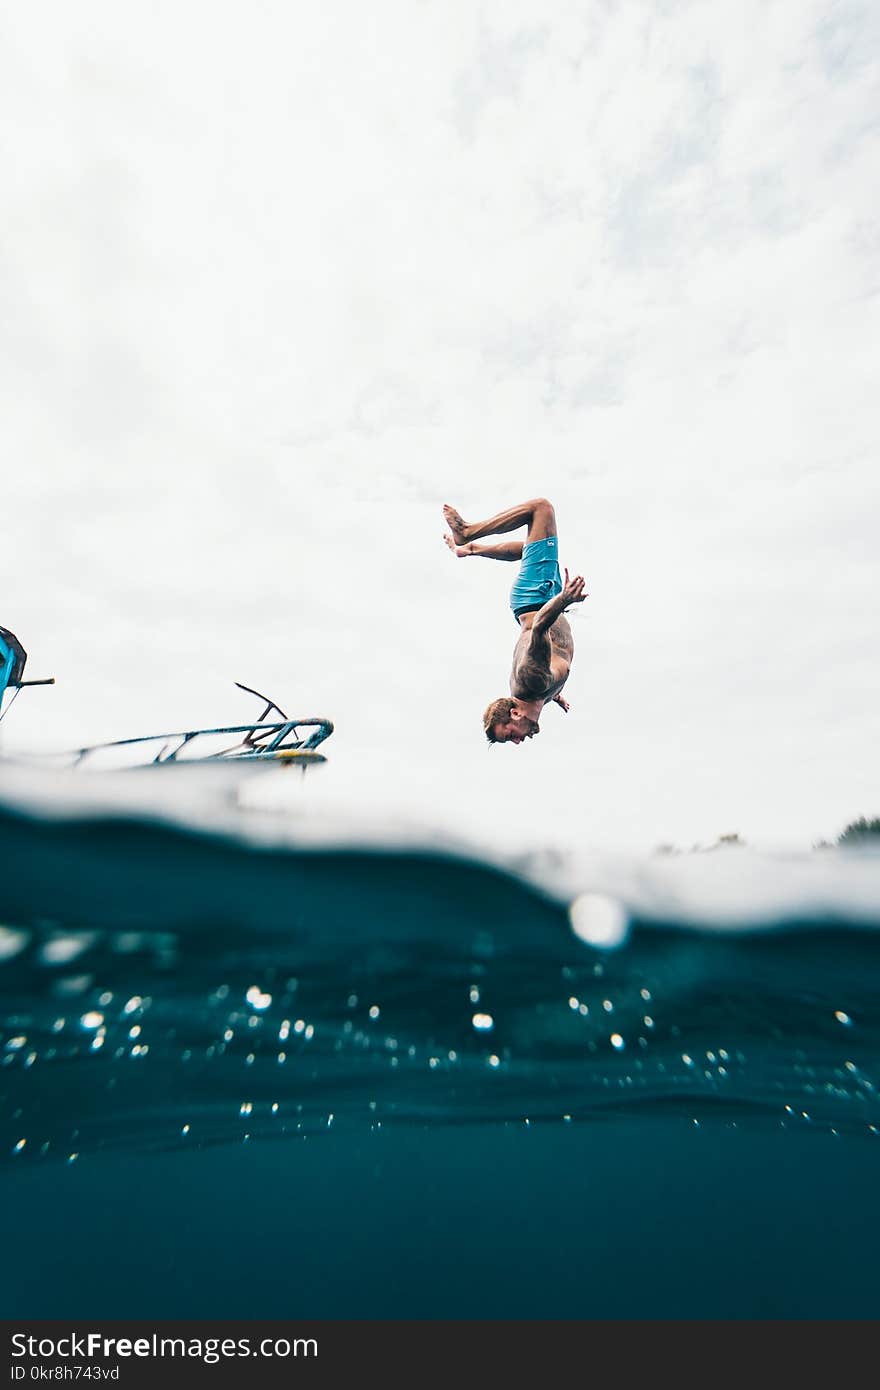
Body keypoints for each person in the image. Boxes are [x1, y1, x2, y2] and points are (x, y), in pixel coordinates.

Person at [442, 498, 587, 744]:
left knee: (541, 509)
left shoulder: (533, 682)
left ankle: (466, 533)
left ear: (515, 713)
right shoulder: (538, 692)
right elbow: (544, 663)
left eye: (510, 734)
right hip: (538, 599)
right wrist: (556, 693)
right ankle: (469, 550)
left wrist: (564, 599)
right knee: (530, 549)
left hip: (539, 596)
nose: (518, 741)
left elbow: (540, 627)